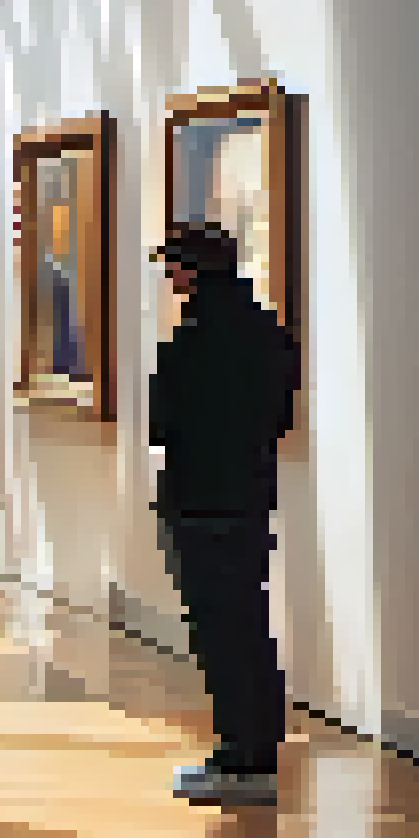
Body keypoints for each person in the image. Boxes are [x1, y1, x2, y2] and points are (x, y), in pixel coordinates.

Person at [150, 221, 298, 807]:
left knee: (219, 632)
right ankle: (251, 753)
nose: (168, 277)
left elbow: (165, 423)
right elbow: (277, 420)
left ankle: (242, 760)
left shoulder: (190, 341)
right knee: (250, 627)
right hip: (249, 498)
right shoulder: (268, 333)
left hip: (201, 499)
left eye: (173, 266)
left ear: (192, 269)